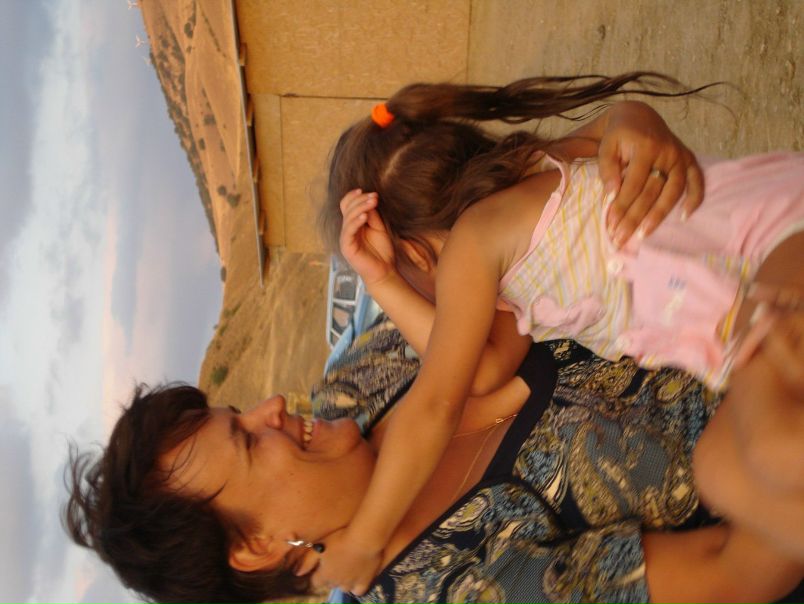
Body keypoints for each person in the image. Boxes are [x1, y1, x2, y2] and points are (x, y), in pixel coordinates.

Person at [315, 73, 804, 591]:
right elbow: (484, 370)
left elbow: (438, 401)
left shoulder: (473, 245)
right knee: (721, 470)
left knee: (769, 446)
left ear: (417, 254)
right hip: (748, 290)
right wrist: (385, 278)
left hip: (767, 249)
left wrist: (364, 542)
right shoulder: (526, 181)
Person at [64, 321, 803, 604]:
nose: (272, 407)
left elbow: (521, 250)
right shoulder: (451, 587)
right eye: (249, 441)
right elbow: (732, 574)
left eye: (239, 410)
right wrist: (774, 382)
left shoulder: (360, 378)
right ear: (255, 546)